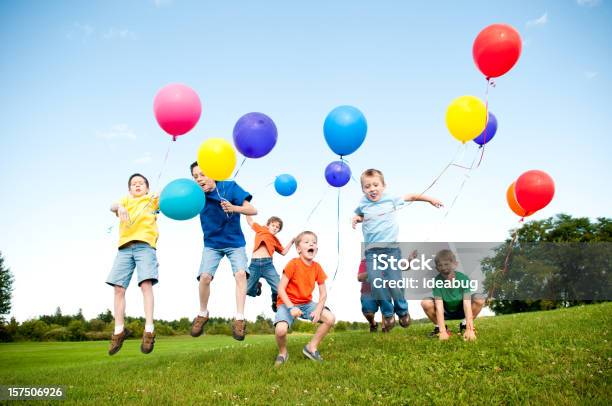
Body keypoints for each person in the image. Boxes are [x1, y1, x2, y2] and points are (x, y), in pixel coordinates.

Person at [352, 168, 443, 332]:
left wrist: (430, 199)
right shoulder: (363, 203)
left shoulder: (390, 199)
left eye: (375, 185)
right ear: (363, 189)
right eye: (367, 186)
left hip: (391, 250)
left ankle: (402, 310)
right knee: (377, 284)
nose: (372, 189)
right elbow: (360, 215)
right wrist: (356, 218)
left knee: (395, 284)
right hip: (372, 253)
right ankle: (388, 314)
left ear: (383, 185)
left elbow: (413, 196)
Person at [189, 162, 257, 341]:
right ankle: (203, 313)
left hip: (234, 242)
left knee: (241, 274)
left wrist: (234, 208)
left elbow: (252, 210)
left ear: (214, 174)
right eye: (195, 177)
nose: (199, 179)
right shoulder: (195, 195)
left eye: (202, 174)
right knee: (204, 277)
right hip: (211, 243)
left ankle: (240, 319)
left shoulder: (229, 187)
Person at [106, 173, 159, 355]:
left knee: (146, 285)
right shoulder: (126, 202)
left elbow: (171, 200)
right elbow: (111, 206)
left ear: (147, 187)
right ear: (129, 190)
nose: (137, 185)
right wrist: (120, 206)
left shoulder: (152, 200)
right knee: (118, 289)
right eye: (134, 184)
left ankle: (149, 330)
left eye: (141, 183)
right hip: (124, 248)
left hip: (145, 246)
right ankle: (119, 331)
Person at [273, 231, 335, 366]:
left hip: (306, 303)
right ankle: (283, 353)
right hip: (286, 303)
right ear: (298, 249)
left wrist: (318, 310)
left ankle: (311, 348)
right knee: (281, 330)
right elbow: (280, 289)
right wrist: (291, 307)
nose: (311, 243)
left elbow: (323, 294)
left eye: (314, 242)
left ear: (316, 249)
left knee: (330, 318)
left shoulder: (317, 267)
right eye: (306, 242)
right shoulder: (293, 264)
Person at [420, 249, 485, 341]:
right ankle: (440, 328)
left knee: (480, 298)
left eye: (446, 264)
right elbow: (439, 306)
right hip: (445, 311)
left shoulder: (463, 278)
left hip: (461, 309)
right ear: (437, 268)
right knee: (425, 302)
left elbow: (467, 304)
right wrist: (442, 332)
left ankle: (465, 325)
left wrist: (469, 329)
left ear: (455, 264)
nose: (443, 267)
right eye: (440, 265)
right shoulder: (437, 281)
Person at [245, 215, 294, 312]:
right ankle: (257, 285)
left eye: (277, 228)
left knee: (280, 288)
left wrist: (292, 242)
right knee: (247, 290)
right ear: (268, 225)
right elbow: (250, 221)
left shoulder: (275, 240)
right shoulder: (261, 229)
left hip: (267, 265)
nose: (275, 228)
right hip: (254, 265)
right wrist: (246, 210)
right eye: (273, 225)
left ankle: (275, 299)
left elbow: (283, 252)